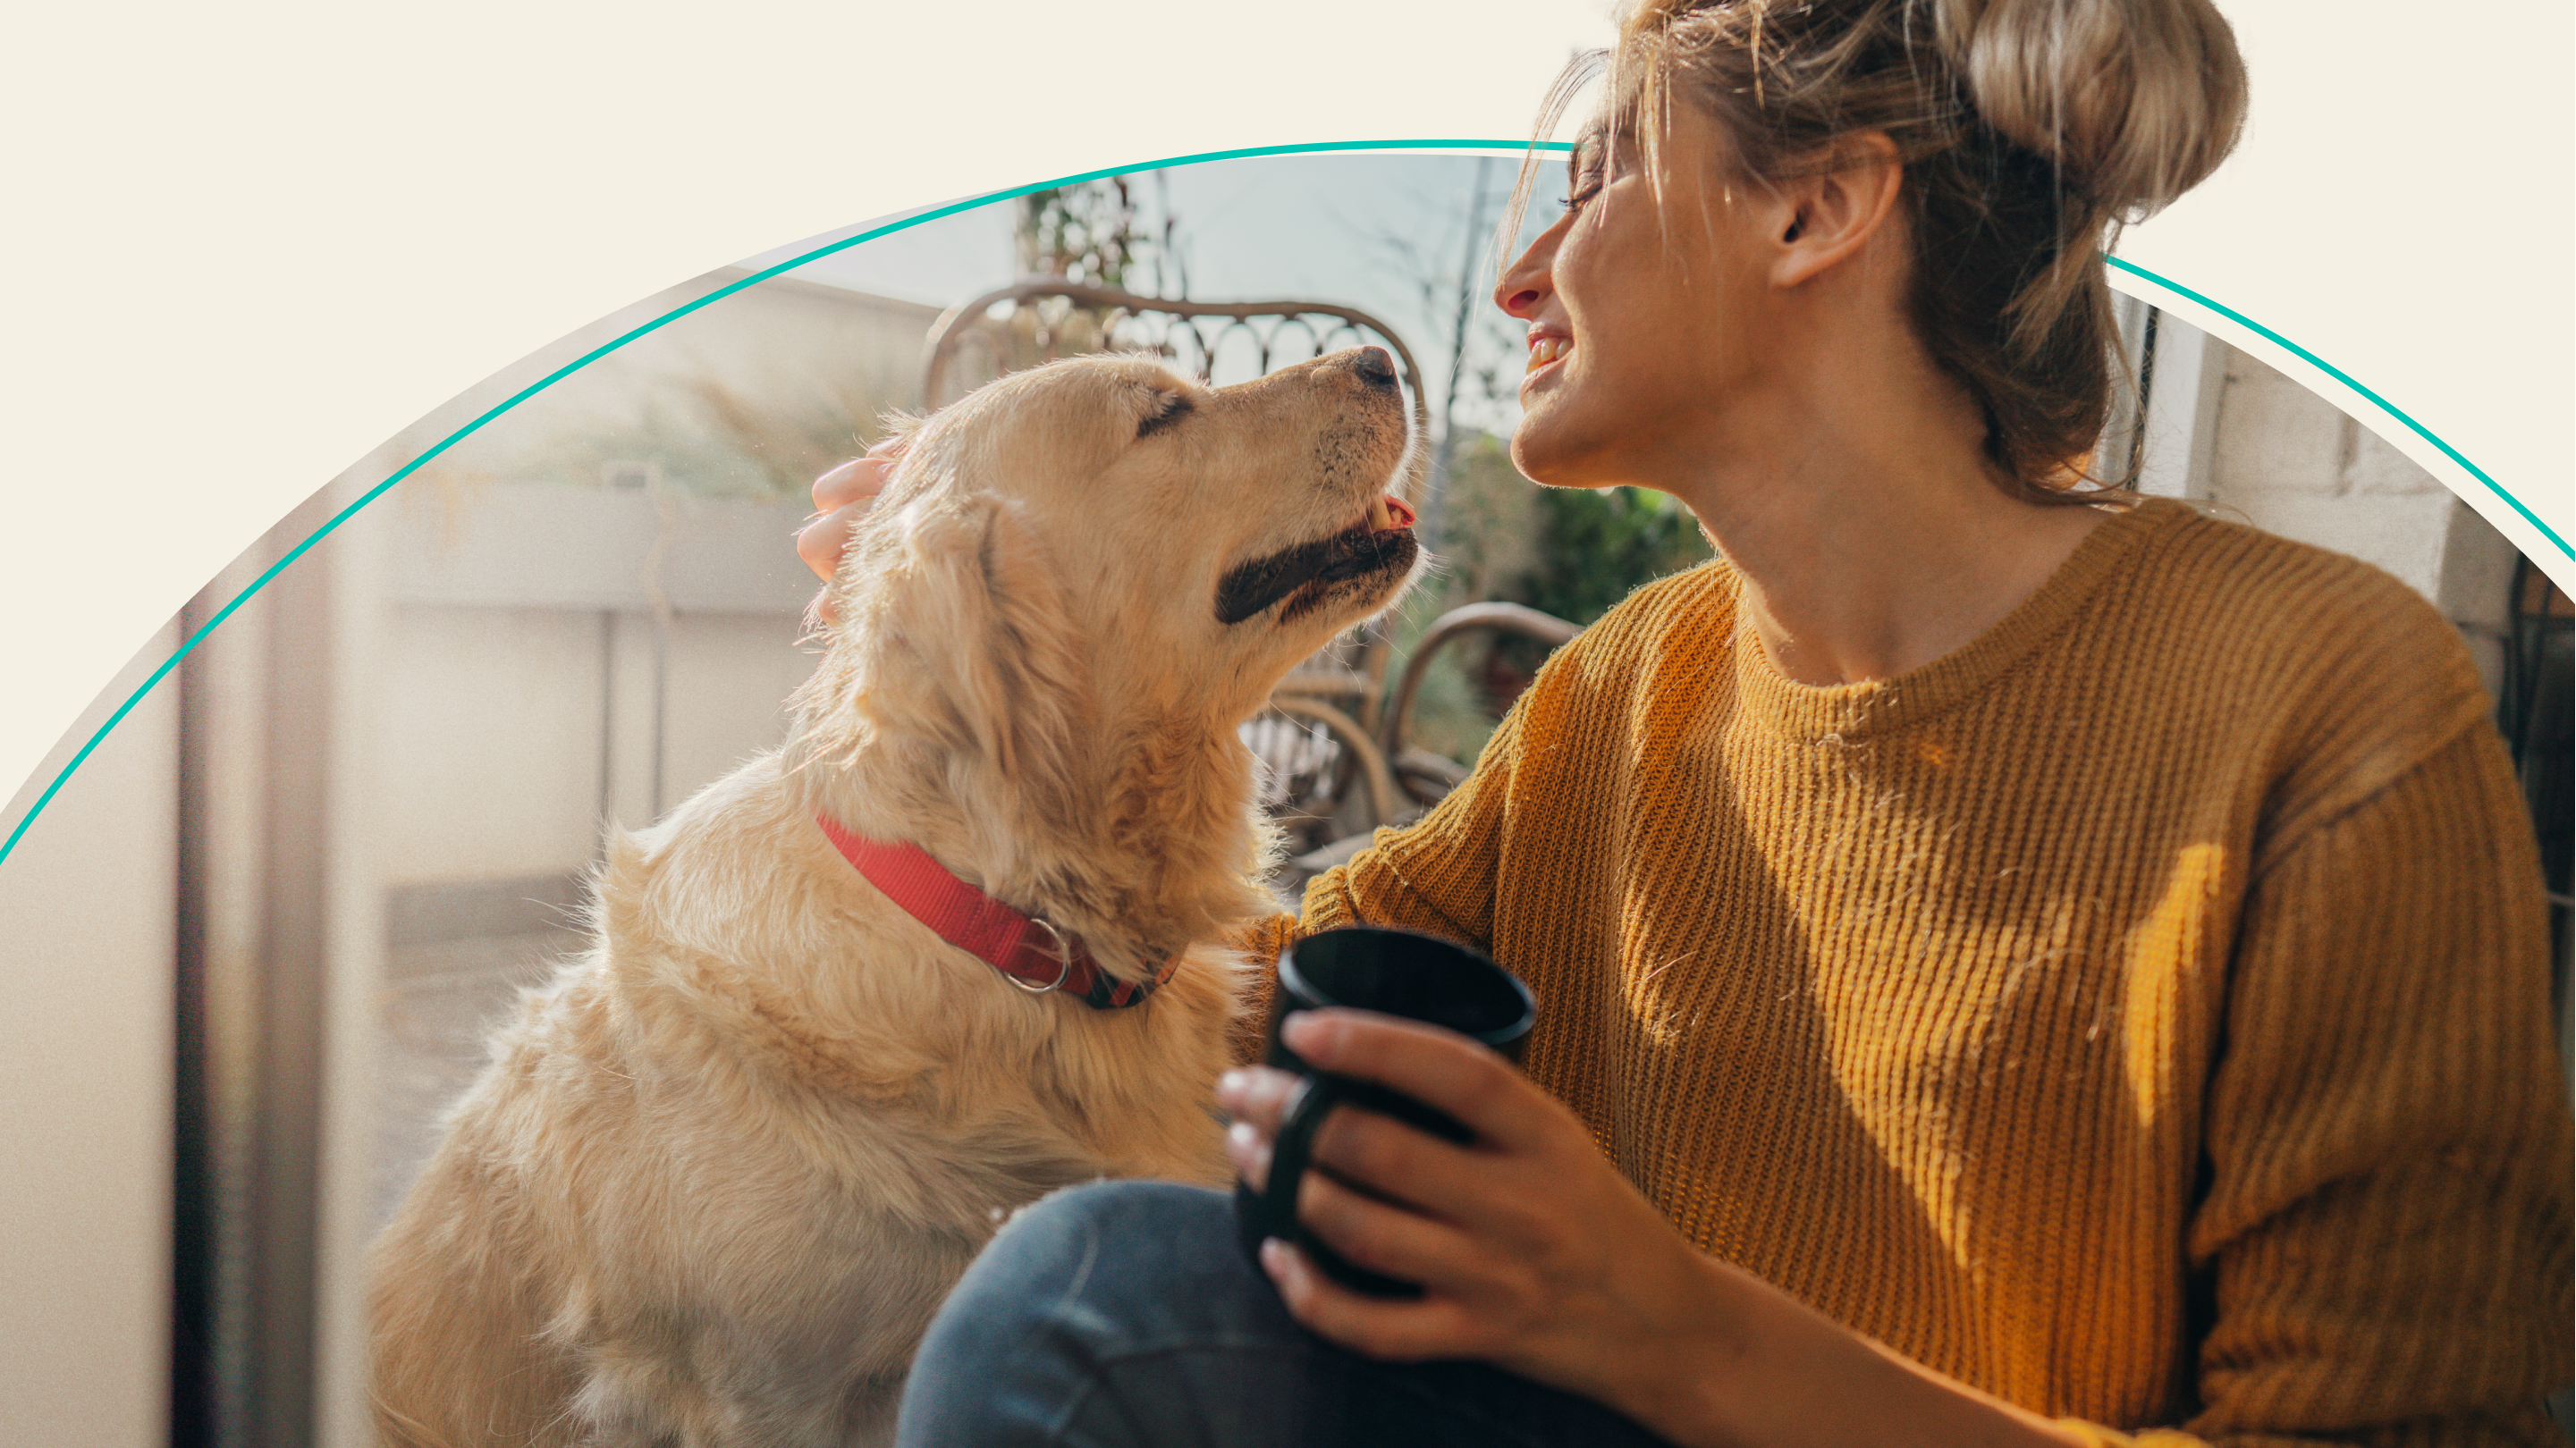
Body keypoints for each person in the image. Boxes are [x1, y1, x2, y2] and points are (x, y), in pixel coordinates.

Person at [798, 1, 2575, 1442]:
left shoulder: (2330, 708)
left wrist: (1678, 1337)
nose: (1520, 276)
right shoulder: (1634, 683)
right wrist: (984, 619)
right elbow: (1231, 1012)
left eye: (1591, 175)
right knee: (1091, 1290)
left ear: (1815, 210)